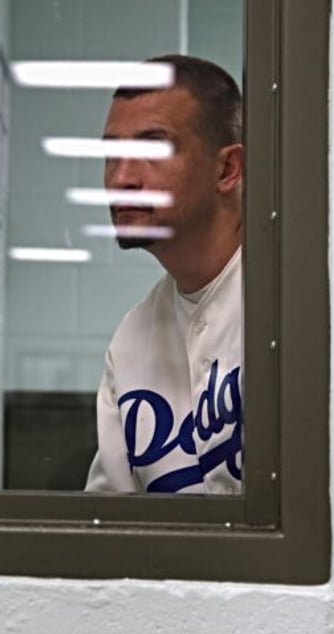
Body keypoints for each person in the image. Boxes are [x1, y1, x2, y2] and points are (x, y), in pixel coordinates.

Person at [84, 54, 244, 494]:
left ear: (228, 169)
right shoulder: (131, 340)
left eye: (151, 149)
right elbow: (111, 531)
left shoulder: (289, 303)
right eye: (112, 156)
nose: (122, 179)